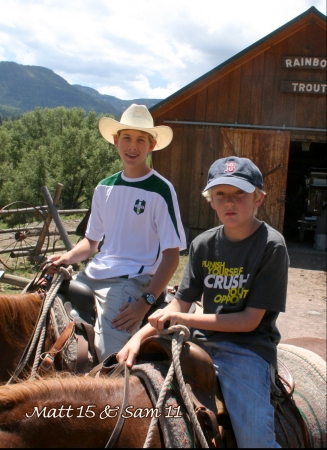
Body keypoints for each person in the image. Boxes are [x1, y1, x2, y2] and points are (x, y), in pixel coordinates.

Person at [117, 156, 289, 448]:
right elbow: (180, 304)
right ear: (211, 201)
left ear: (259, 198)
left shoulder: (270, 245)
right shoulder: (203, 244)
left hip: (247, 349)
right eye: (220, 194)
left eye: (240, 194)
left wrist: (184, 320)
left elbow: (249, 320)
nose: (229, 202)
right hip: (201, 341)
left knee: (255, 441)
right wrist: (139, 337)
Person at [48, 104, 186, 363]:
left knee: (107, 353)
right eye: (127, 138)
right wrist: (65, 258)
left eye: (140, 140)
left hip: (131, 281)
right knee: (43, 320)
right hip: (92, 274)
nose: (132, 146)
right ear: (115, 141)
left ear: (151, 145)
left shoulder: (161, 190)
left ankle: (117, 398)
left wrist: (144, 303)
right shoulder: (104, 187)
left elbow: (171, 256)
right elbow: (91, 243)